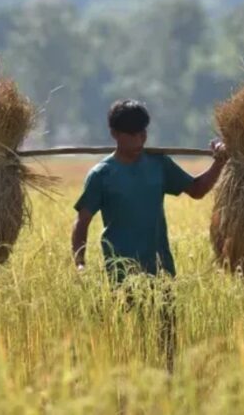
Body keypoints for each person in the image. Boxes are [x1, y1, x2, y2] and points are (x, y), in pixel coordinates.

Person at [71, 98, 228, 371]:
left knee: (165, 343)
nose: (140, 138)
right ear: (115, 135)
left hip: (161, 268)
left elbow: (197, 190)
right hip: (120, 272)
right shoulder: (102, 175)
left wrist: (219, 163)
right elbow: (82, 221)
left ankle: (165, 395)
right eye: (132, 133)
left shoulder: (158, 164)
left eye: (143, 131)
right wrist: (80, 262)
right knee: (128, 343)